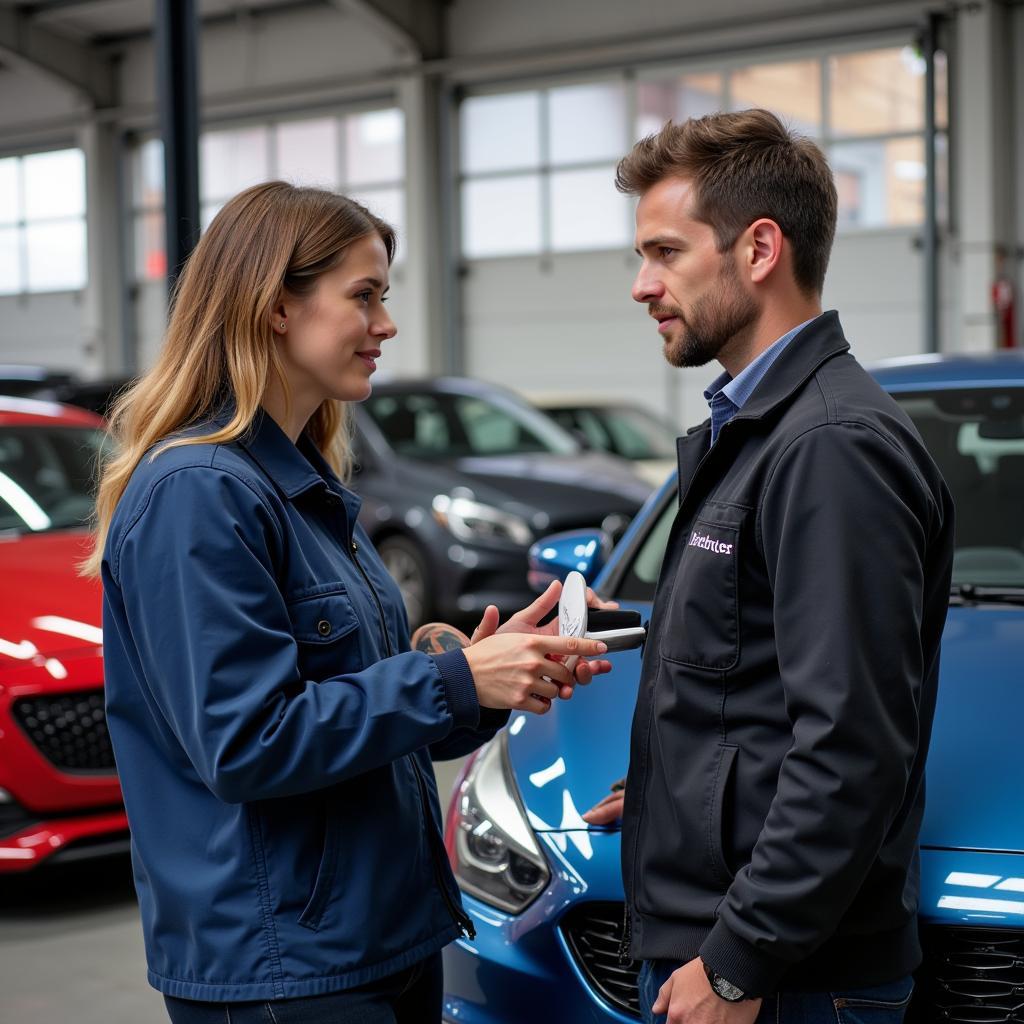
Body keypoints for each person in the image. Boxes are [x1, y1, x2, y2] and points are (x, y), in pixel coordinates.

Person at [84, 181, 611, 1024]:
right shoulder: (199, 492)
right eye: (363, 297)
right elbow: (249, 742)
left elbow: (350, 711)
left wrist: (481, 676)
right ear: (275, 306)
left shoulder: (303, 486)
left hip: (374, 936)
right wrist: (452, 680)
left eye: (384, 297)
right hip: (285, 966)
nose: (386, 325)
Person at [582, 109, 955, 1024]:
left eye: (666, 252)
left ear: (758, 249)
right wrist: (675, 792)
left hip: (786, 982)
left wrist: (740, 962)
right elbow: (758, 676)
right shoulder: (758, 428)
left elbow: (852, 743)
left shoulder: (829, 446)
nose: (642, 286)